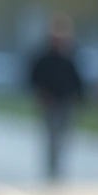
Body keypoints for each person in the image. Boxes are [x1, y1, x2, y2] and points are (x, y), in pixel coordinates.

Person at [28, 15, 84, 181]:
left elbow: (77, 79)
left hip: (66, 102)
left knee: (64, 136)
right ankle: (52, 168)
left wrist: (79, 97)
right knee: (52, 136)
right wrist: (41, 94)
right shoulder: (42, 57)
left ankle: (59, 165)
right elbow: (34, 78)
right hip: (49, 103)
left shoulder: (69, 56)